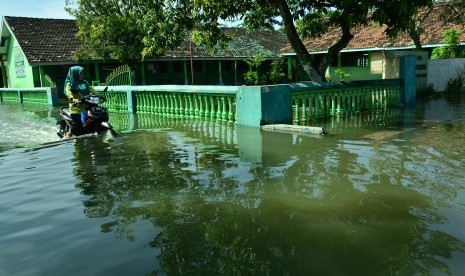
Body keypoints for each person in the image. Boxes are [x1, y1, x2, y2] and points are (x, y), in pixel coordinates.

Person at [64, 66, 98, 137]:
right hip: (76, 107)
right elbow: (68, 93)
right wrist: (73, 99)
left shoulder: (85, 83)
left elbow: (92, 90)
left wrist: (98, 96)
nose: (82, 75)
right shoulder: (70, 84)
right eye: (80, 73)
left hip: (87, 105)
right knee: (77, 126)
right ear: (75, 74)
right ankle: (69, 134)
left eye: (83, 73)